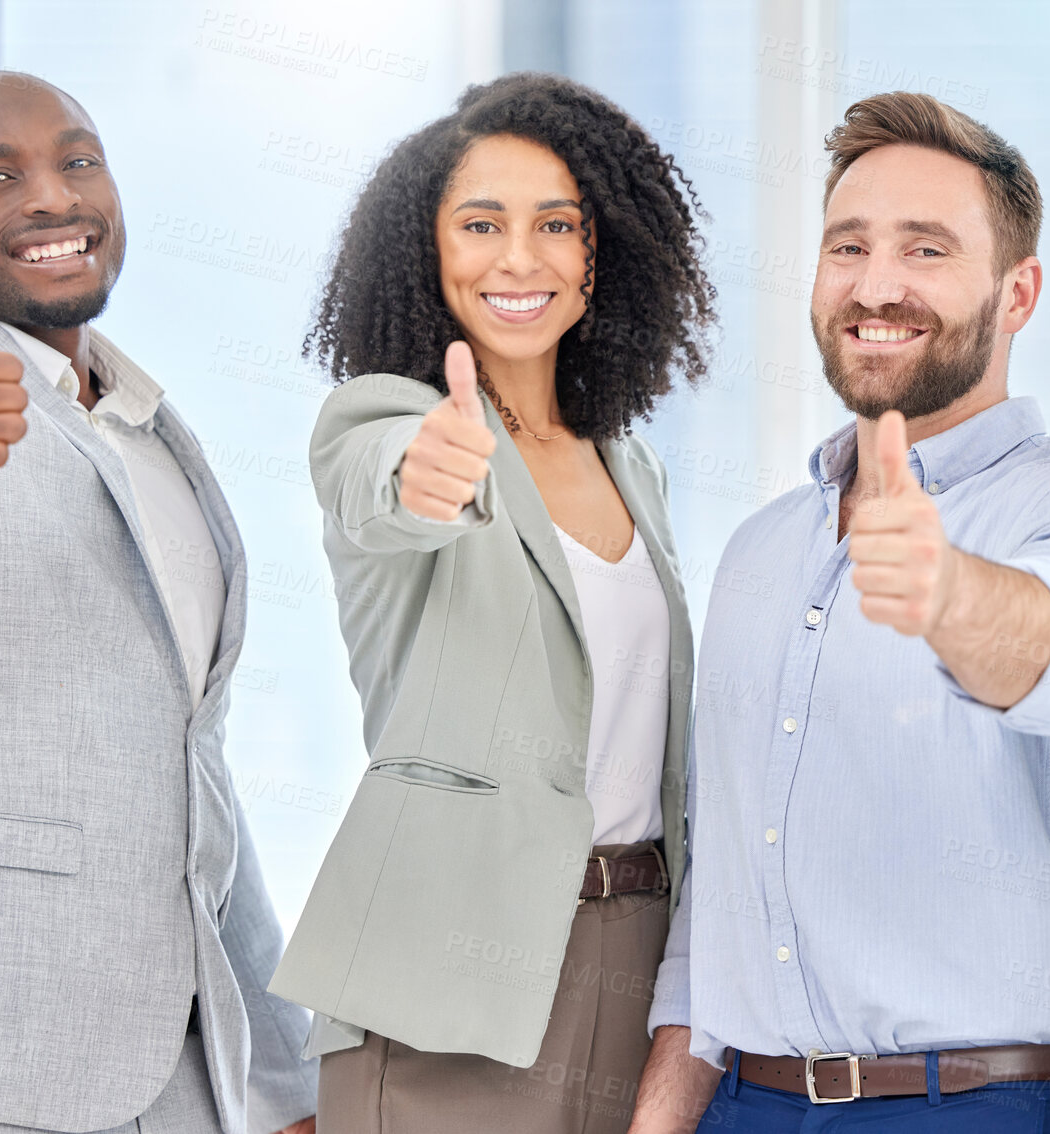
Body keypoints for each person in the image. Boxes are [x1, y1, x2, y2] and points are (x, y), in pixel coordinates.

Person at [627, 91, 1050, 1133]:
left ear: (1016, 293)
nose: (874, 285)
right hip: (741, 1105)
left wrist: (945, 592)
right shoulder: (759, 553)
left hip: (986, 1107)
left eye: (925, 249)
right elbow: (721, 904)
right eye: (848, 246)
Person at [0, 72, 315, 1133]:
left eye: (77, 161)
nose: (51, 198)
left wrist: (279, 1073)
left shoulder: (153, 434)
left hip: (176, 1075)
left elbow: (191, 782)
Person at [265, 73, 716, 1134]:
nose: (520, 258)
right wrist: (428, 471)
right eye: (479, 224)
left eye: (556, 224)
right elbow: (383, 486)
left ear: (604, 252)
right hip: (450, 979)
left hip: (634, 955)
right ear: (425, 253)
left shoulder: (628, 464)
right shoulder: (384, 417)